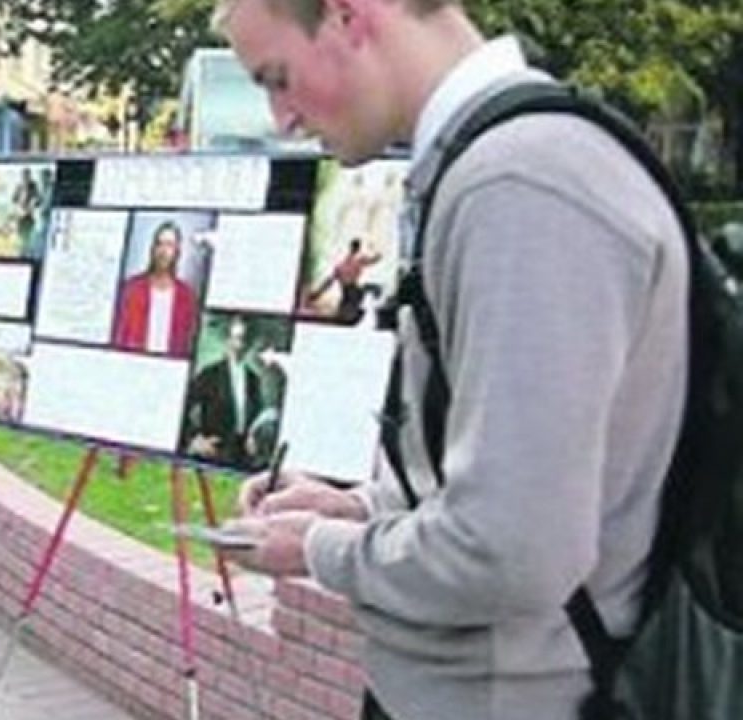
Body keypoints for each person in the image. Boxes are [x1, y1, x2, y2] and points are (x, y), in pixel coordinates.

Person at [213, 2, 688, 720]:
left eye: (278, 78)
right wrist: (361, 506)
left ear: (347, 16)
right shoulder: (495, 166)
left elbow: (512, 549)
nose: (281, 118)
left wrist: (318, 545)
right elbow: (510, 481)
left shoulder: (521, 185)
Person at [180, 314, 267, 469]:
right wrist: (194, 440)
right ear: (228, 341)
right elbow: (181, 405)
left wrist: (255, 437)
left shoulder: (254, 379)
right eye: (238, 338)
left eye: (246, 339)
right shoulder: (210, 374)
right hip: (214, 455)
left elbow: (258, 416)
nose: (241, 345)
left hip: (243, 457)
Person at [113, 221, 199, 357]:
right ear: (152, 249)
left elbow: (189, 343)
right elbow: (119, 337)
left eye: (169, 245)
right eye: (159, 244)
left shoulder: (186, 296)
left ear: (177, 251)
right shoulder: (132, 289)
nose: (163, 251)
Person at [306, 237, 383, 324]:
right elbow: (376, 259)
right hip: (351, 294)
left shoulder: (345, 264)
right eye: (357, 248)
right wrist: (376, 248)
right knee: (346, 312)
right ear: (357, 248)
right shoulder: (353, 262)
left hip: (351, 294)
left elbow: (329, 282)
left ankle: (348, 311)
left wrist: (317, 294)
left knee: (349, 309)